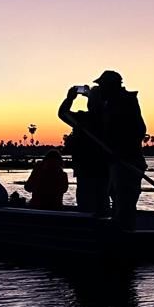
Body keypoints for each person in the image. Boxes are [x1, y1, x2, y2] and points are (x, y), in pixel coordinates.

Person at [95, 70, 146, 231]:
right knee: (118, 201)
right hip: (117, 162)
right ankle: (120, 233)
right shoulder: (110, 104)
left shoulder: (125, 102)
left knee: (124, 204)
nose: (100, 90)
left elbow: (139, 130)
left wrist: (121, 151)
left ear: (111, 86)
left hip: (127, 162)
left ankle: (124, 237)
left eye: (102, 86)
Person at [58, 83, 110, 215]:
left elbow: (62, 113)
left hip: (87, 168)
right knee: (102, 201)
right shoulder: (109, 118)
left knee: (87, 203)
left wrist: (70, 99)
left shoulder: (84, 119)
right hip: (103, 168)